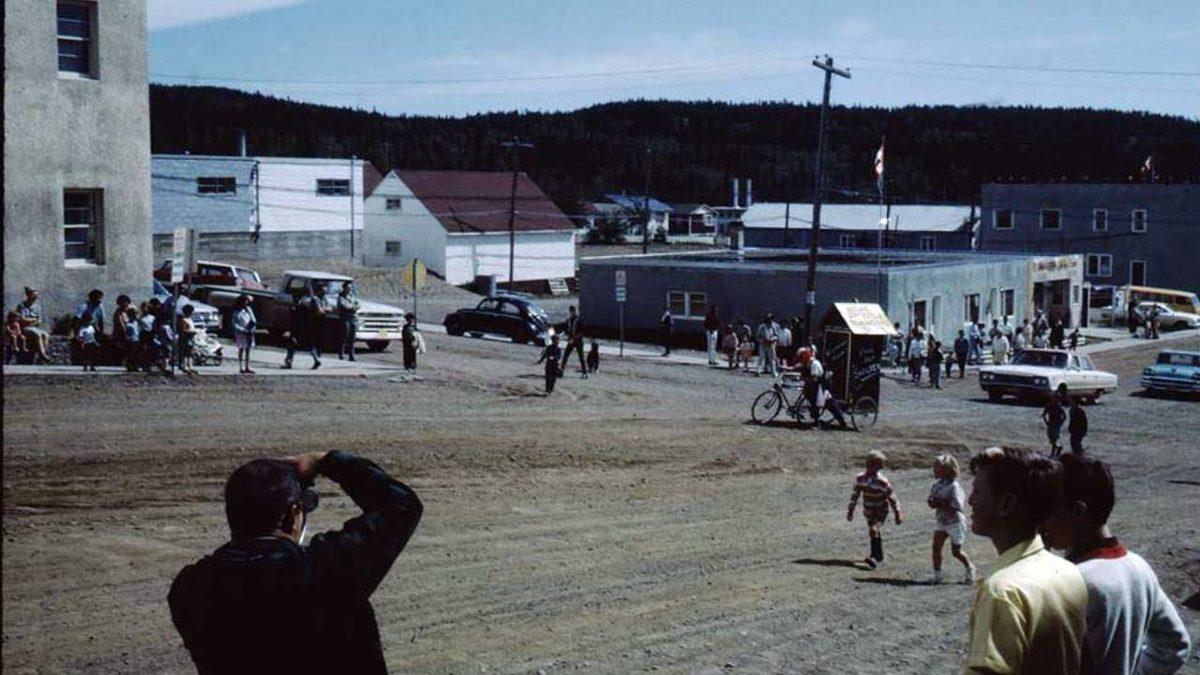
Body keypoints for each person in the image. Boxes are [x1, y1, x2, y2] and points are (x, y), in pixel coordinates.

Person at [168, 451, 423, 675]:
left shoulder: (189, 588)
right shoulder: (322, 572)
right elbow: (401, 505)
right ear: (293, 515)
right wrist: (326, 461)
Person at [1040, 455, 1192, 674]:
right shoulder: (1139, 567)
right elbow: (1176, 645)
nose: (1042, 520)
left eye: (1048, 509)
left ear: (1078, 511)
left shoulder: (1072, 580)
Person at [964, 446, 1088, 675]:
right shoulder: (1068, 571)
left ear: (1007, 505)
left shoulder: (1003, 592)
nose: (970, 500)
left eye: (977, 491)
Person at [847, 450, 902, 570]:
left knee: (874, 529)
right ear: (870, 464)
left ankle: (874, 556)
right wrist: (851, 509)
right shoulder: (860, 479)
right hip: (869, 510)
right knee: (874, 531)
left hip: (881, 510)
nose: (879, 469)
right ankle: (879, 555)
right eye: (878, 466)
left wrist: (897, 512)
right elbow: (855, 494)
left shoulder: (883, 482)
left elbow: (892, 497)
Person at [926, 454, 976, 584]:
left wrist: (940, 502)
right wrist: (933, 502)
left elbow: (957, 506)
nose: (934, 470)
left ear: (946, 470)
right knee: (936, 547)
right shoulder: (936, 485)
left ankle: (969, 567)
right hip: (942, 520)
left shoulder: (954, 487)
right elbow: (931, 501)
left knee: (956, 551)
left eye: (937, 467)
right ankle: (937, 575)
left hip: (955, 522)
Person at [15, 287, 51, 363]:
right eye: (34, 295)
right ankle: (42, 355)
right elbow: (21, 319)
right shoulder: (21, 306)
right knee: (37, 334)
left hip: (34, 327)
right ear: (29, 295)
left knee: (45, 335)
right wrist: (32, 320)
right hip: (25, 328)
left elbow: (39, 320)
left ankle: (42, 354)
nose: (35, 297)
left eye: (36, 295)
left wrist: (32, 321)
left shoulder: (37, 306)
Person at [232, 294, 257, 375]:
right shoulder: (236, 312)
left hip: (249, 332)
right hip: (241, 333)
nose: (246, 303)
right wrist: (242, 330)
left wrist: (252, 328)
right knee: (241, 349)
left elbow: (253, 320)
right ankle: (241, 367)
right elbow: (234, 324)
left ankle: (247, 366)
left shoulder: (249, 310)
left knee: (248, 350)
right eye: (245, 301)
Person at [336, 282, 360, 362]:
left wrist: (353, 306)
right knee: (344, 336)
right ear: (344, 288)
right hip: (345, 318)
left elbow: (358, 304)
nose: (349, 289)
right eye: (347, 287)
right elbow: (344, 306)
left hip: (353, 318)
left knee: (352, 338)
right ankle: (341, 354)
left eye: (350, 287)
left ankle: (351, 355)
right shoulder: (340, 296)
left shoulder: (352, 295)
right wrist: (352, 306)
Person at [562, 305, 587, 378]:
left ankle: (584, 372)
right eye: (571, 311)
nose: (572, 312)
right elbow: (566, 329)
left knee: (581, 357)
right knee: (566, 355)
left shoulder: (579, 320)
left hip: (578, 341)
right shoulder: (569, 320)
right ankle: (561, 370)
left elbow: (582, 332)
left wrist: (574, 338)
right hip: (571, 340)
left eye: (573, 311)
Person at [1043, 386, 1068, 456]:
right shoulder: (1049, 406)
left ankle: (1053, 452)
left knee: (1055, 438)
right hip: (1051, 423)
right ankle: (1058, 448)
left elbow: (1064, 416)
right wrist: (1046, 421)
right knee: (1051, 438)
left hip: (1056, 424)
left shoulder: (1059, 407)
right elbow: (1044, 414)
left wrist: (1060, 423)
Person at [111, 294, 134, 371]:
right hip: (122, 332)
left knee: (132, 349)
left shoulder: (132, 309)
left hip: (132, 332)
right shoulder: (118, 312)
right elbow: (119, 323)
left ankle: (131, 363)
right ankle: (127, 364)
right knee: (125, 348)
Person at [179, 304, 199, 375]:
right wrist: (192, 332)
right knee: (186, 353)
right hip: (186, 338)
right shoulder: (184, 320)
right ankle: (185, 366)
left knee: (191, 353)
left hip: (191, 338)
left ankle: (190, 366)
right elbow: (184, 330)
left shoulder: (190, 319)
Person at [122, 306, 140, 372]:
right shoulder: (128, 324)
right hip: (131, 340)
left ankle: (135, 366)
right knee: (130, 355)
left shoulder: (136, 322)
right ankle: (130, 366)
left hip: (136, 339)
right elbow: (127, 333)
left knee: (135, 355)